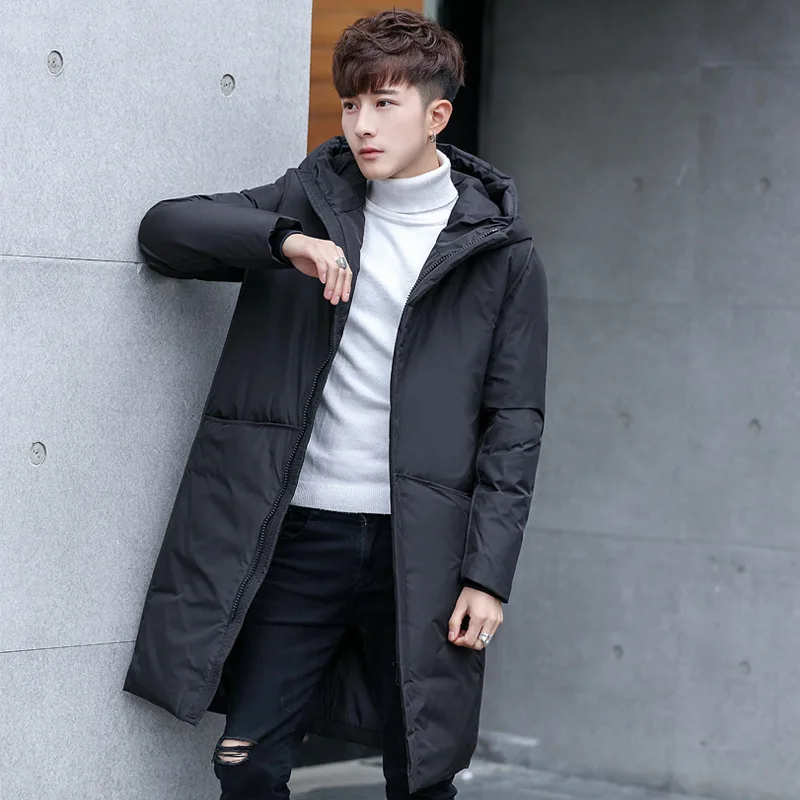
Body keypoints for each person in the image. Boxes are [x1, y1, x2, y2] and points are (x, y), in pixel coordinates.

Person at [124, 8, 548, 800]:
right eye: (352, 104)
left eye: (385, 103)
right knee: (247, 764)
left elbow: (514, 427)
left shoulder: (500, 252)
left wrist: (487, 576)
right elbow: (165, 230)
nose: (362, 125)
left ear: (436, 115)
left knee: (422, 774)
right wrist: (284, 240)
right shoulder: (310, 200)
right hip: (299, 534)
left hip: (422, 552)